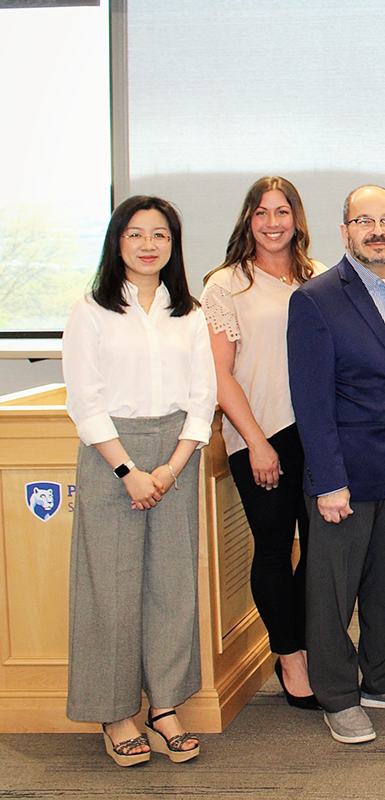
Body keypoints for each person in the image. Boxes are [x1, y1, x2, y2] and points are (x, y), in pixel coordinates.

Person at [63, 195, 217, 765]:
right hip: (111, 456)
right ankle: (115, 710)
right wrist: (129, 470)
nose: (149, 244)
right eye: (135, 234)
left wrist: (173, 466)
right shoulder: (91, 310)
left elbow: (204, 397)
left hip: (177, 453)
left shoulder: (191, 312)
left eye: (161, 235)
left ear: (173, 245)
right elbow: (85, 400)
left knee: (172, 585)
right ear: (117, 242)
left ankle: (165, 706)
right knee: (111, 586)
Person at [287, 185, 385, 744]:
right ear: (345, 229)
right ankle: (337, 694)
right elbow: (312, 401)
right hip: (342, 478)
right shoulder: (315, 298)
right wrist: (328, 481)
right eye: (365, 221)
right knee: (331, 593)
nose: (378, 230)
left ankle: (384, 678)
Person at [202, 177, 325, 711]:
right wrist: (255, 441)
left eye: (282, 212)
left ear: (297, 218)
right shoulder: (226, 284)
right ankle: (290, 657)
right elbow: (221, 375)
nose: (272, 222)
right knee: (275, 549)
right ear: (247, 220)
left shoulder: (319, 279)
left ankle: (307, 642)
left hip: (319, 436)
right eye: (261, 213)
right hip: (262, 436)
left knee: (322, 554)